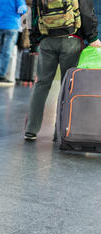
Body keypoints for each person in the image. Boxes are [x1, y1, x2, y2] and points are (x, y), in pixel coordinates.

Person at [24, 0, 100, 141]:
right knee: (67, 87)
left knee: (41, 84)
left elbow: (33, 14)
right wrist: (93, 37)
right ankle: (59, 132)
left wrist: (34, 43)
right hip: (72, 40)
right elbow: (86, 12)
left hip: (47, 40)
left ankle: (31, 130)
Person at [0, 0, 27, 86]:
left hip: (0, 25)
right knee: (6, 53)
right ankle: (1, 76)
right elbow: (22, 10)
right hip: (12, 25)